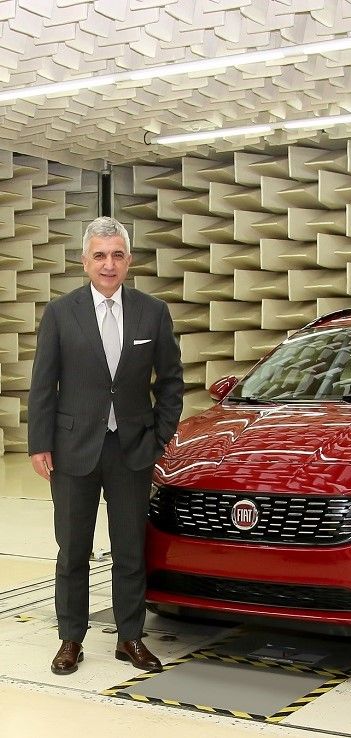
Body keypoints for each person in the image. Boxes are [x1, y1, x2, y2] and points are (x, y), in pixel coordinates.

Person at [27, 216, 184, 675]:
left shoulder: (153, 312)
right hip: (72, 448)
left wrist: (159, 436)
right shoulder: (61, 313)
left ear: (129, 260)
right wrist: (39, 444)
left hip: (132, 449)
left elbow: (171, 380)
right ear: (85, 261)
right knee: (72, 550)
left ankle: (130, 637)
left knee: (130, 550)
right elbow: (43, 385)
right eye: (100, 255)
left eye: (117, 255)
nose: (108, 264)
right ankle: (70, 638)